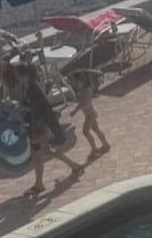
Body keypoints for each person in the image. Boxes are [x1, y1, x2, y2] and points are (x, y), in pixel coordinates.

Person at [24, 67, 81, 197]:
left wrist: (22, 107)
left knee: (37, 156)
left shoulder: (33, 88)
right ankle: (74, 165)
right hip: (43, 126)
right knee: (45, 152)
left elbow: (36, 109)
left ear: (25, 75)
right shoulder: (34, 85)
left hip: (39, 128)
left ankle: (39, 184)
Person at [70, 69, 109, 157]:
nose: (75, 83)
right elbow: (82, 103)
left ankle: (94, 150)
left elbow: (85, 103)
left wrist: (76, 107)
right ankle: (105, 145)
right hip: (90, 113)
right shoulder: (83, 89)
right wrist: (75, 110)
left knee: (85, 132)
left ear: (81, 80)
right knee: (96, 129)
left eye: (77, 81)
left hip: (90, 114)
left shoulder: (86, 90)